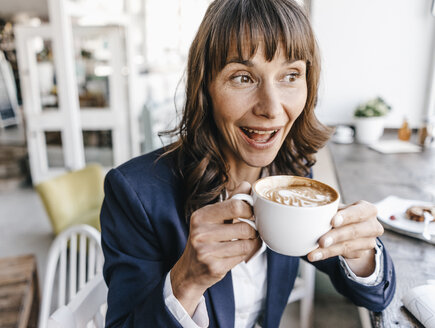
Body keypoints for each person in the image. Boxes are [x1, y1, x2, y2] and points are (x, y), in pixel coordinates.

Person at [100, 0, 396, 327]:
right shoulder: (135, 193)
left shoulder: (294, 178)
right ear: (205, 87)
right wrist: (187, 280)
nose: (271, 107)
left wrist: (362, 255)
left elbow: (376, 297)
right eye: (243, 78)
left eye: (290, 75)